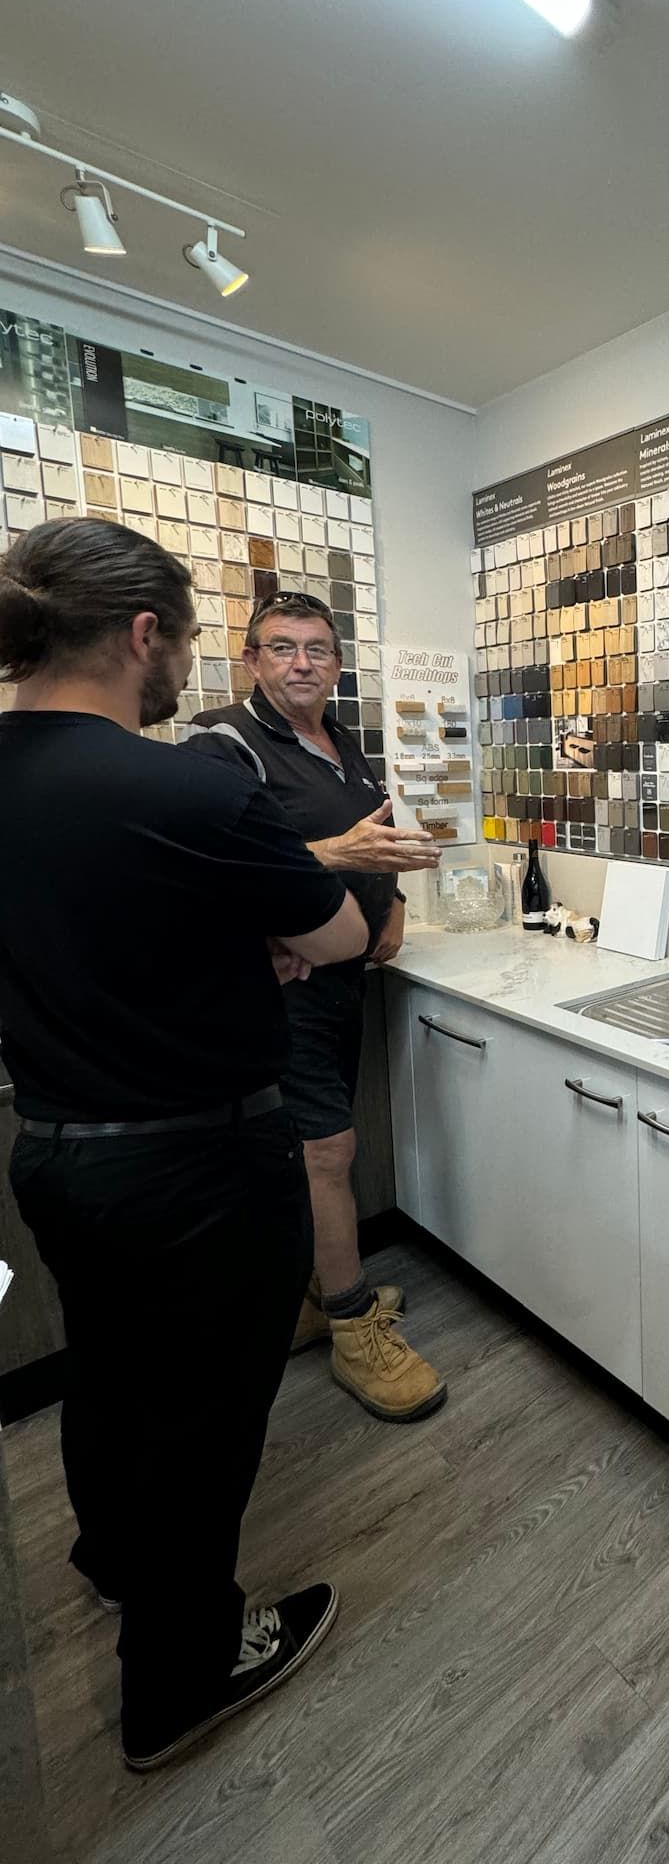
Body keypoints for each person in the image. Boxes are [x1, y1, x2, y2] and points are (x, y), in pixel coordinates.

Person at [0, 519, 371, 1771]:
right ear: (143, 632)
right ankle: (180, 1671)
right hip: (199, 1166)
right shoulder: (182, 781)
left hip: (54, 1148)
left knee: (107, 1375)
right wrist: (258, 941)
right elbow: (332, 940)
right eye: (194, 640)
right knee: (205, 1424)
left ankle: (112, 1563)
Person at [186, 591, 445, 1421]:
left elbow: (380, 838)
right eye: (283, 647)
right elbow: (206, 861)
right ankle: (352, 1326)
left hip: (341, 979)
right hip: (281, 989)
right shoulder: (221, 740)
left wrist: (391, 901)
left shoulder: (346, 742)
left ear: (337, 665)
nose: (303, 663)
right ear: (252, 660)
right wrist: (335, 854)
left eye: (318, 650)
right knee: (328, 1152)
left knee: (316, 1152)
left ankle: (315, 1290)